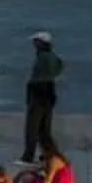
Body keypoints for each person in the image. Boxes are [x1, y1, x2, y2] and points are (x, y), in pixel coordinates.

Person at [21, 31, 63, 165]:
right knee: (45, 128)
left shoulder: (42, 57)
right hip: (49, 92)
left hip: (38, 93)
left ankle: (28, 156)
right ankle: (50, 154)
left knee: (32, 127)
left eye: (36, 42)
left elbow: (37, 77)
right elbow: (59, 68)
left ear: (41, 43)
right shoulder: (54, 57)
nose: (34, 45)